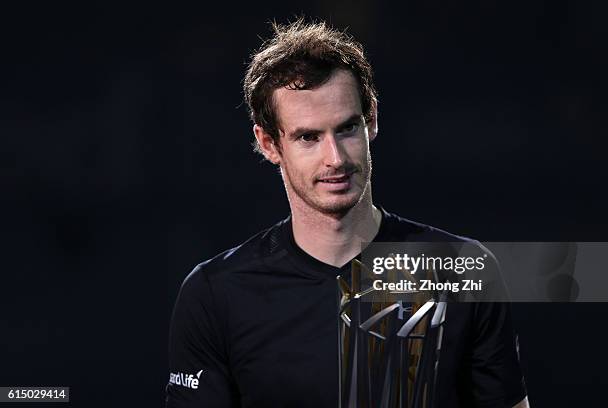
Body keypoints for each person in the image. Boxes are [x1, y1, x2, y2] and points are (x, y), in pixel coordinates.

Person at [166, 19, 529, 408]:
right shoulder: (215, 294)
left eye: (347, 128)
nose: (335, 158)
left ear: (371, 119)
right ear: (269, 143)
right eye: (309, 137)